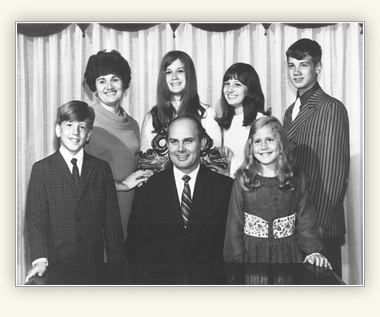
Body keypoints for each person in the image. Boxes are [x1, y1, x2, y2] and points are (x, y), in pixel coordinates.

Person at [25, 101, 125, 283]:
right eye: (69, 125)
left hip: (93, 265)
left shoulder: (102, 169)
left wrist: (117, 266)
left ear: (89, 135)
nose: (75, 132)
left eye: (82, 127)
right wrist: (40, 259)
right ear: (58, 130)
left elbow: (112, 223)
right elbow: (36, 219)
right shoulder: (42, 169)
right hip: (56, 264)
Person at [224, 116, 331, 268]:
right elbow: (234, 226)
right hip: (252, 256)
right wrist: (236, 262)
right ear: (250, 146)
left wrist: (313, 251)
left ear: (281, 144)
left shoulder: (297, 179)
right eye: (257, 141)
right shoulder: (243, 179)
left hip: (288, 255)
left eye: (269, 140)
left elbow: (306, 220)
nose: (263, 146)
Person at [283, 38, 350, 277]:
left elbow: (335, 173)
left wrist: (317, 227)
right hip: (296, 222)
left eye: (303, 65)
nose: (296, 71)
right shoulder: (290, 112)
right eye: (291, 65)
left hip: (320, 225)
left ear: (318, 68)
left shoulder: (331, 107)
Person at [126, 116, 233, 264]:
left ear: (201, 143)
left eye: (188, 141)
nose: (181, 149)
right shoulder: (148, 189)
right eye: (174, 141)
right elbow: (135, 248)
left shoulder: (226, 188)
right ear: (167, 145)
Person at [84, 50, 152, 237]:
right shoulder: (85, 120)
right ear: (94, 88)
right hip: (99, 209)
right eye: (102, 80)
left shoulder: (133, 124)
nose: (109, 86)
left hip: (129, 209)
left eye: (115, 79)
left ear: (124, 83)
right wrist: (122, 185)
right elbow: (77, 174)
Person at [140, 50, 222, 154]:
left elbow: (214, 156)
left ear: (189, 75)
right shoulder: (152, 117)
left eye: (180, 71)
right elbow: (146, 158)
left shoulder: (208, 114)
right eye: (169, 72)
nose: (174, 77)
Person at [215, 63, 271, 177]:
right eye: (227, 84)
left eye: (237, 84)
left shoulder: (261, 122)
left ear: (249, 89)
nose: (229, 90)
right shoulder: (226, 122)